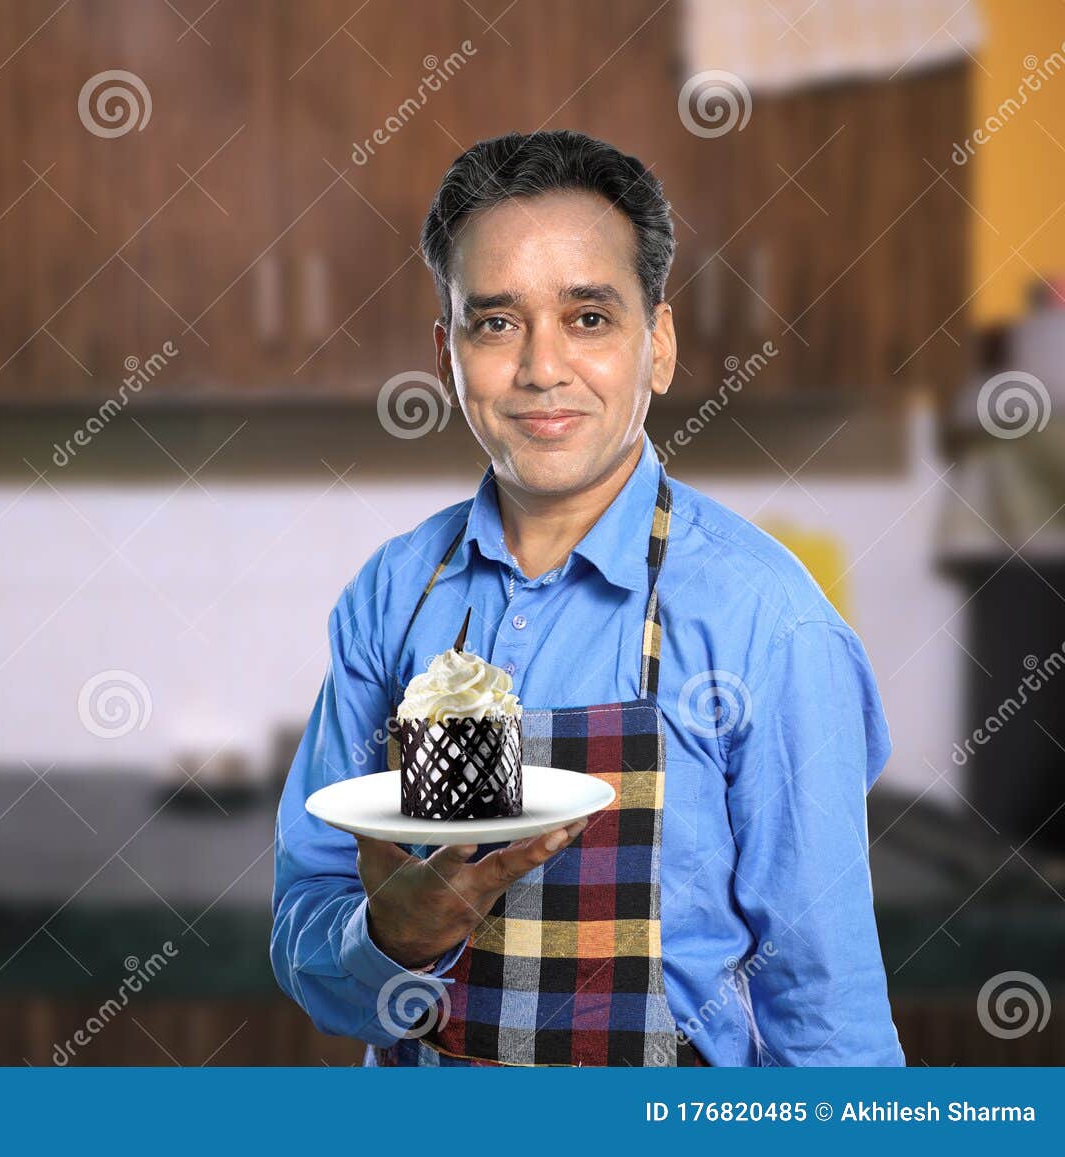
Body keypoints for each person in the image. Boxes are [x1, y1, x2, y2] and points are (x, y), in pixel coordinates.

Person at [270, 129, 903, 1067]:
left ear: (659, 344)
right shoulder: (395, 596)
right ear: (447, 354)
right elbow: (303, 922)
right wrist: (389, 939)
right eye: (495, 322)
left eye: (590, 317)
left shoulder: (766, 620)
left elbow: (824, 1014)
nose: (540, 368)